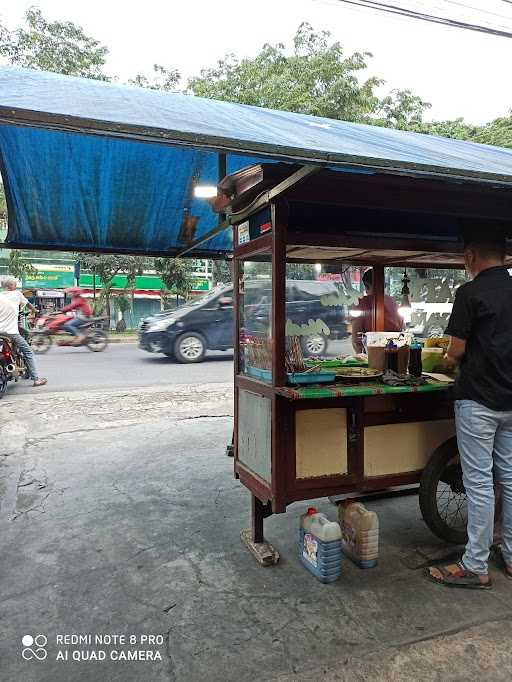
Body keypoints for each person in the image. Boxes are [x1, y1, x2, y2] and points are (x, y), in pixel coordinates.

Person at [427, 232, 512, 589]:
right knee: (509, 479)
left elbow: (456, 350)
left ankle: (475, 564)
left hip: (478, 400)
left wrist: (442, 360)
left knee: (478, 483)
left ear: (470, 255)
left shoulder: (469, 293)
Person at [0, 276, 47, 387]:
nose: (16, 286)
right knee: (28, 351)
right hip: (10, 332)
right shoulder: (17, 294)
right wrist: (36, 311)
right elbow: (29, 305)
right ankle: (36, 379)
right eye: (14, 284)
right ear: (10, 286)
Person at [351, 268, 404, 353]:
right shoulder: (392, 302)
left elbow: (356, 340)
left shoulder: (361, 303)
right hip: (394, 353)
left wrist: (361, 358)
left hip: (373, 354)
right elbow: (401, 328)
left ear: (366, 285)